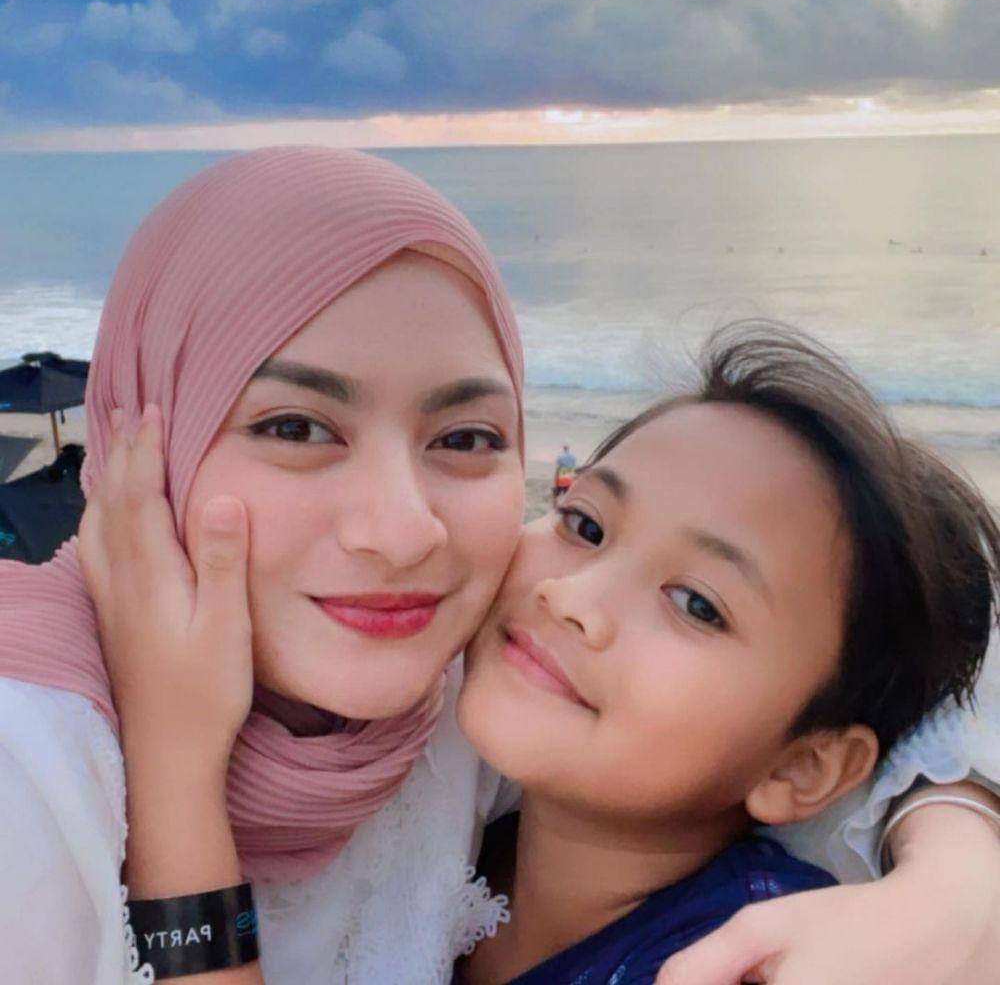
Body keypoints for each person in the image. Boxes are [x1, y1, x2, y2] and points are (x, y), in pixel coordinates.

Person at [4, 144, 996, 984]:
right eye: (296, 426)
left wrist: (956, 886)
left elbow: (915, 700)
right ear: (142, 432)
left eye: (466, 438)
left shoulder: (462, 721)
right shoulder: (34, 766)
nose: (403, 533)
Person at [454, 326, 1000, 983]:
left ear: (801, 767)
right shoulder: (439, 817)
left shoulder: (771, 962)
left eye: (696, 604)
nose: (570, 596)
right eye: (586, 525)